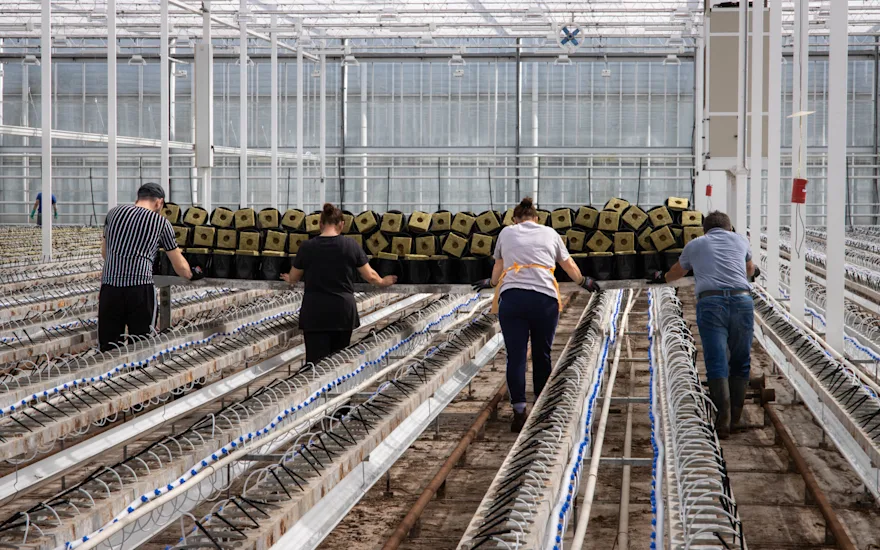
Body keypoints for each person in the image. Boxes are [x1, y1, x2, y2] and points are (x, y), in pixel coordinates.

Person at [473, 197, 601, 432]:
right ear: (537, 218)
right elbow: (567, 263)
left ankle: (519, 412)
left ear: (515, 219)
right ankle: (542, 411)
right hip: (544, 300)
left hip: (512, 300)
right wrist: (584, 281)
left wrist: (490, 282)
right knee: (542, 354)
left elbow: (498, 267)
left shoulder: (506, 233)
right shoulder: (550, 233)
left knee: (516, 356)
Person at [647, 210, 759, 438]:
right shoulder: (740, 240)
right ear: (729, 228)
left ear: (705, 230)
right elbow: (750, 269)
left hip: (712, 303)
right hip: (741, 300)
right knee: (741, 359)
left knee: (716, 358)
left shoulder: (696, 244)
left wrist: (661, 277)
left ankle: (722, 419)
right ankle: (736, 417)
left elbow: (677, 273)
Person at [282, 203, 397, 365]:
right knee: (338, 362)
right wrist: (383, 281)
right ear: (341, 224)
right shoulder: (350, 246)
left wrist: (288, 278)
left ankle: (319, 390)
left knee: (315, 366)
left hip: (315, 314)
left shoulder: (307, 247)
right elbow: (370, 276)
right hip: (342, 313)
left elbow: (294, 277)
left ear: (320, 224)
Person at [99, 183, 203, 352]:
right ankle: (136, 375)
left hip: (110, 288)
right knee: (141, 346)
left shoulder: (113, 214)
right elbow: (179, 264)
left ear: (137, 198)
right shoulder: (160, 222)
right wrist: (192, 273)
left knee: (108, 347)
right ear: (159, 202)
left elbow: (105, 252)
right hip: (139, 289)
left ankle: (108, 378)